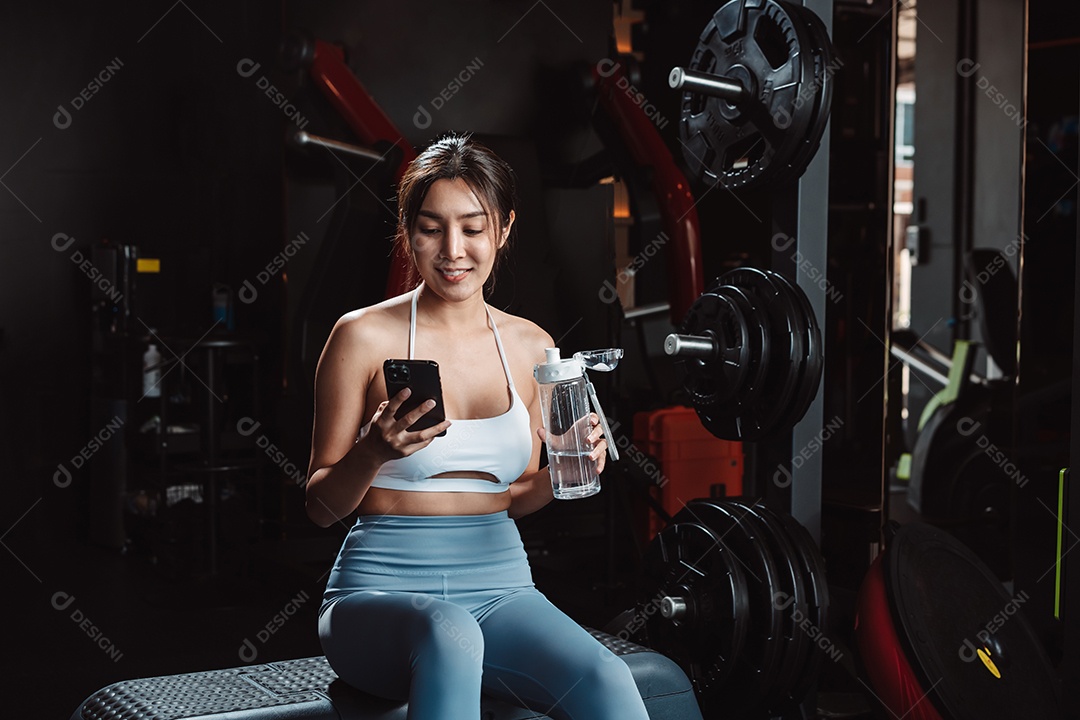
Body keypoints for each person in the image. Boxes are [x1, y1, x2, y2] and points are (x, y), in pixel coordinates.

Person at [306, 134, 650, 720]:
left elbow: (512, 496)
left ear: (504, 229)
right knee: (446, 630)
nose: (453, 250)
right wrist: (371, 453)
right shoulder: (360, 337)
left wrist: (572, 469)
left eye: (473, 227)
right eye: (432, 228)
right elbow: (319, 505)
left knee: (609, 680)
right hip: (378, 595)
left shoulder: (532, 346)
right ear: (409, 230)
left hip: (501, 590)